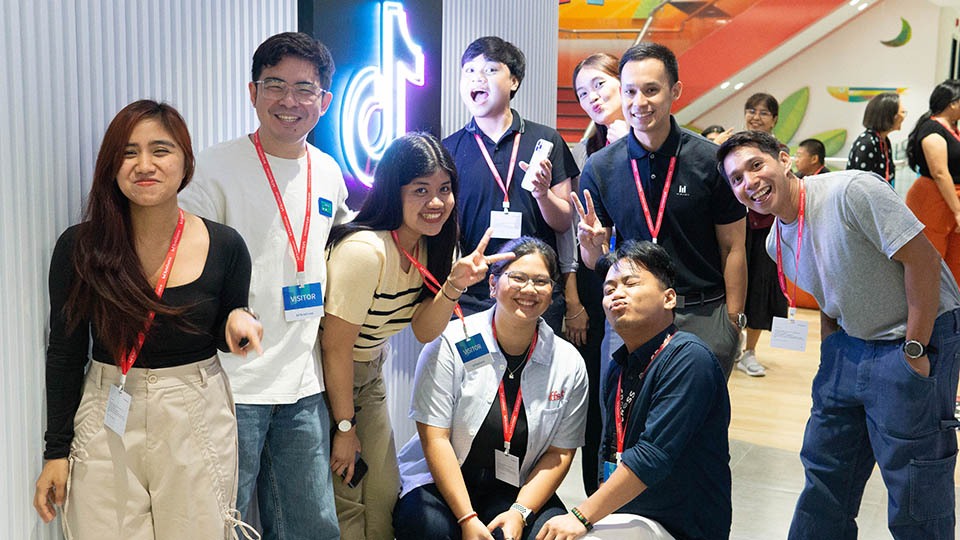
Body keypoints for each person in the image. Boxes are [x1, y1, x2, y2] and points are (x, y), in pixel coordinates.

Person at [33, 100, 263, 538]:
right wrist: (55, 452)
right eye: (128, 153)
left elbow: (226, 322)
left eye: (160, 150)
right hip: (106, 406)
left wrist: (237, 322)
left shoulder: (225, 245)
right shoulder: (81, 247)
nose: (144, 165)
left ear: (185, 162)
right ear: (111, 166)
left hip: (194, 408)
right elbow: (64, 353)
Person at [719, 130, 960, 539]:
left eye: (756, 165)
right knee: (825, 472)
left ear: (784, 160)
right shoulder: (776, 242)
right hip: (848, 348)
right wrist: (831, 352)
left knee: (914, 482)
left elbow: (922, 260)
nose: (750, 182)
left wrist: (915, 348)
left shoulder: (851, 191)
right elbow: (829, 297)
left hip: (912, 340)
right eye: (736, 178)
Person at [179, 32, 349, 539]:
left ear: (324, 101)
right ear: (252, 92)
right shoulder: (213, 169)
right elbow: (184, 268)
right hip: (232, 384)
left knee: (311, 528)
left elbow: (345, 246)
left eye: (304, 88)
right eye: (274, 85)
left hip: (304, 384)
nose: (289, 101)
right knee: (219, 524)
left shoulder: (328, 171)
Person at [322, 133, 514, 539]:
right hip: (330, 380)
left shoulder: (429, 245)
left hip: (369, 375)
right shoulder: (366, 251)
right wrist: (344, 427)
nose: (436, 202)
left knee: (383, 492)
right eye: (421, 190)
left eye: (444, 189)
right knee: (347, 496)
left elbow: (424, 330)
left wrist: (454, 284)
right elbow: (335, 348)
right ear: (394, 192)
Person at [394, 237, 589, 540]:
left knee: (550, 535)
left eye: (541, 281)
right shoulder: (451, 342)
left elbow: (560, 453)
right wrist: (466, 518)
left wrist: (520, 511)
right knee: (431, 529)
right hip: (442, 481)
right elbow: (435, 438)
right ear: (493, 285)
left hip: (516, 487)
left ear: (552, 294)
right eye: (518, 278)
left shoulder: (568, 363)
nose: (529, 289)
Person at [538, 240, 731, 540]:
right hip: (631, 516)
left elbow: (652, 456)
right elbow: (610, 452)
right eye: (609, 289)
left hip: (682, 527)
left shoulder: (689, 358)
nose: (616, 294)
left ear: (669, 298)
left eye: (630, 283)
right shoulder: (619, 367)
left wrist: (582, 515)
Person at [576, 42, 747, 377]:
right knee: (623, 407)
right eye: (630, 91)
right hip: (631, 310)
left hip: (702, 313)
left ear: (675, 91)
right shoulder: (600, 167)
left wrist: (732, 320)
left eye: (651, 90)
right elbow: (595, 259)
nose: (639, 102)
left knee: (698, 409)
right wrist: (591, 246)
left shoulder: (710, 161)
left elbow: (733, 246)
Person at [443, 36, 580, 334]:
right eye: (469, 71)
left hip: (536, 291)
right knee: (474, 365)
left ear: (514, 81)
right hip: (472, 293)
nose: (477, 78)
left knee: (536, 364)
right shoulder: (448, 149)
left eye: (490, 70)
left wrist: (543, 194)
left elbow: (563, 222)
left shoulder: (546, 140)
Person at [567, 51, 628, 497]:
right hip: (596, 284)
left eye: (600, 84)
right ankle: (597, 496)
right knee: (600, 403)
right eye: (582, 93)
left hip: (641, 285)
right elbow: (572, 236)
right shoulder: (586, 155)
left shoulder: (660, 148)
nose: (592, 97)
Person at [905, 80, 960, 284]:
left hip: (951, 199)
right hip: (933, 199)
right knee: (931, 258)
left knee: (954, 261)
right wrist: (957, 211)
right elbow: (940, 173)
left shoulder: (952, 128)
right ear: (952, 103)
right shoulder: (932, 129)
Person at [846, 92, 905, 184]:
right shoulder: (867, 143)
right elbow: (862, 185)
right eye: (901, 113)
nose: (903, 117)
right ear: (888, 115)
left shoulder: (884, 141)